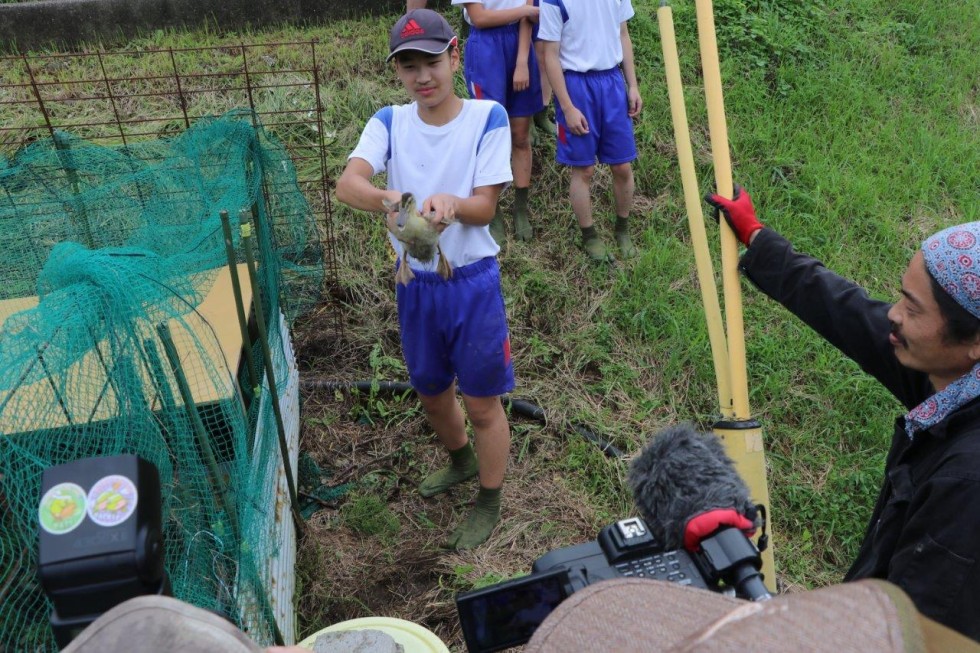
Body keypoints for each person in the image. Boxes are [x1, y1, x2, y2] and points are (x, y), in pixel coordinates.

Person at [704, 186, 980, 642]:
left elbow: (914, 634)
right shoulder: (957, 380)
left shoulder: (967, 487)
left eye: (912, 309)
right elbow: (850, 315)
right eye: (901, 296)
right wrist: (758, 238)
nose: (893, 315)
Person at [335, 9, 514, 550]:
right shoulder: (389, 121)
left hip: (471, 282)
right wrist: (388, 198)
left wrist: (452, 205)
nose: (422, 77)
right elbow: (349, 183)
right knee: (431, 390)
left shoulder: (488, 117)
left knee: (482, 402)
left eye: (432, 61)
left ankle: (489, 497)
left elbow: (485, 206)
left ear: (454, 55)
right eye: (408, 66)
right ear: (397, 73)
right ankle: (461, 461)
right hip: (415, 282)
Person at [536, 0, 642, 262]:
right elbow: (550, 54)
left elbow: (623, 34)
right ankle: (590, 235)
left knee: (622, 167)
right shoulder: (553, 1)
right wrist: (567, 107)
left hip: (612, 83)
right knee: (583, 169)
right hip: (576, 86)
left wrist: (633, 85)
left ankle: (622, 229)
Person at [451, 0, 542, 244]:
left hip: (518, 44)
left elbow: (528, 16)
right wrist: (524, 11)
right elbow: (479, 17)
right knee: (488, 133)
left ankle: (520, 208)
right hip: (486, 47)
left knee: (521, 134)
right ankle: (492, 207)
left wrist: (522, 60)